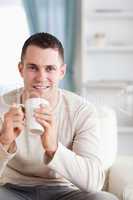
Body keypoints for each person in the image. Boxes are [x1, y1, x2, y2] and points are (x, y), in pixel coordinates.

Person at [0, 32, 118, 200]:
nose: (41, 78)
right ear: (21, 69)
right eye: (33, 67)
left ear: (62, 71)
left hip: (65, 192)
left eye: (50, 68)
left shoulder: (81, 111)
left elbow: (94, 182)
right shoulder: (3, 107)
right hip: (13, 190)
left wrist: (54, 148)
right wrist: (4, 143)